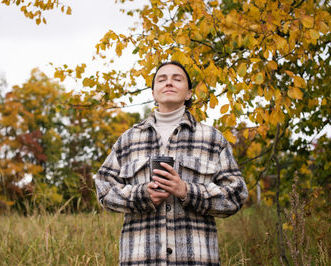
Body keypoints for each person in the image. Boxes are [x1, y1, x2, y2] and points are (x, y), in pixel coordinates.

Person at [94, 61, 248, 265]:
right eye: (162, 79)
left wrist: (187, 191)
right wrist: (141, 195)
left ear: (189, 93)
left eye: (177, 79)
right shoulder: (128, 140)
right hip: (141, 260)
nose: (169, 83)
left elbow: (236, 195)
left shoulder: (212, 139)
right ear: (153, 93)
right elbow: (104, 190)